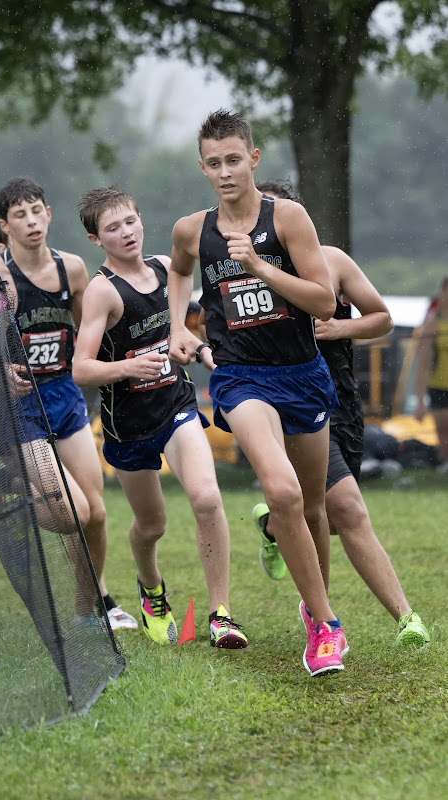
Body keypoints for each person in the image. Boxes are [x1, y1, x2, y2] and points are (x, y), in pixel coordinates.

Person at [168, 109, 345, 676]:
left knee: (313, 506)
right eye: (213, 163)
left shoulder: (288, 218)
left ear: (254, 159)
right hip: (240, 378)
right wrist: (177, 324)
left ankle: (315, 604)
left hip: (301, 373)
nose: (224, 172)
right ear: (203, 167)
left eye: (233, 160)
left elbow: (324, 301)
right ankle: (325, 628)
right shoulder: (193, 229)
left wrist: (262, 268)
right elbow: (177, 271)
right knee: (283, 493)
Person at [251, 180, 429, 648]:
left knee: (321, 512)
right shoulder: (245, 276)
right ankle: (394, 618)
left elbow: (382, 318)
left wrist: (337, 327)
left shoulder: (333, 262)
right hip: (295, 404)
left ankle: (274, 524)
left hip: (343, 400)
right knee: (346, 506)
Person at [72, 186, 247, 649]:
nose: (125, 232)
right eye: (112, 228)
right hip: (129, 425)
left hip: (176, 405)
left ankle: (221, 615)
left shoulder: (166, 269)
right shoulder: (102, 293)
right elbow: (81, 367)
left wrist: (201, 347)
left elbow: (187, 326)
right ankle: (151, 591)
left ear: (139, 218)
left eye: (130, 221)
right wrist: (129, 366)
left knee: (207, 499)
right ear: (96, 239)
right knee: (152, 526)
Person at [0, 179, 137, 631]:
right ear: (5, 227)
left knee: (97, 514)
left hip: (64, 396)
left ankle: (88, 615)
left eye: (36, 211)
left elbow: (94, 331)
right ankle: (2, 499)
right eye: (19, 216)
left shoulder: (74, 269)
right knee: (72, 513)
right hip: (18, 407)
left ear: (49, 213)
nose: (31, 222)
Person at [414, 276, 448, 473]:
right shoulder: (434, 324)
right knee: (443, 428)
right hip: (439, 385)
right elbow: (422, 365)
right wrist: (419, 402)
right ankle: (445, 462)